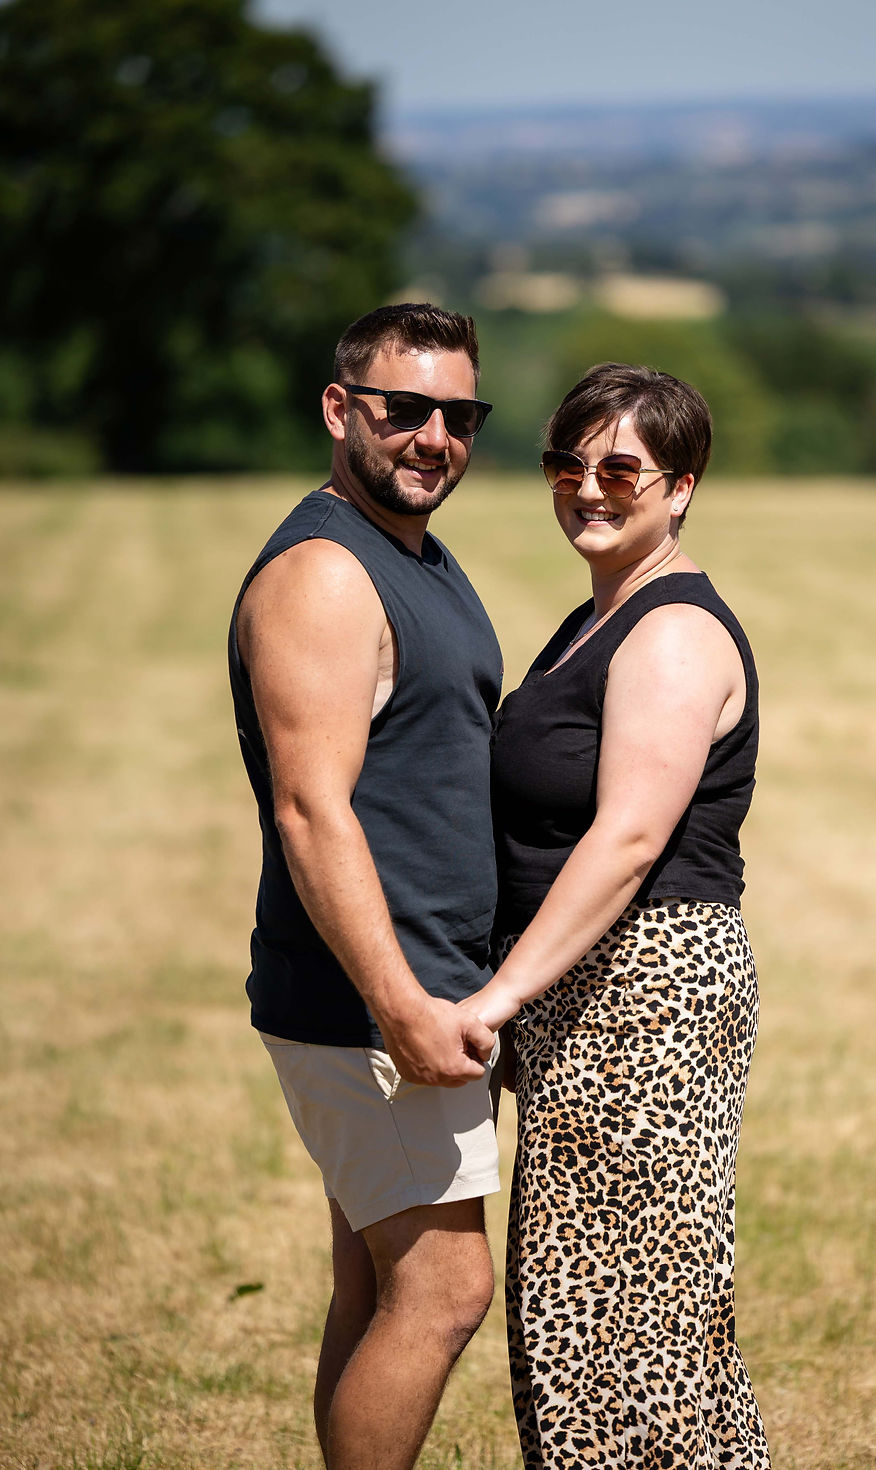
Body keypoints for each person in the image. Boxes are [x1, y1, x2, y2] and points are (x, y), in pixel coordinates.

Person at [460, 363, 771, 1468]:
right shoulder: (600, 615)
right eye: (566, 463)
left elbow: (629, 837)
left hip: (642, 995)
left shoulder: (671, 633)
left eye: (619, 468)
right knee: (598, 1319)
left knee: (623, 1331)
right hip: (589, 996)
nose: (587, 488)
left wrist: (497, 995)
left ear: (678, 486)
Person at [228, 303, 501, 1470]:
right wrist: (400, 1008)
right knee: (444, 1291)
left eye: (458, 414)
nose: (432, 436)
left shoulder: (411, 554)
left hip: (416, 990)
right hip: (374, 1006)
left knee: (376, 1287)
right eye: (403, 409)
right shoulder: (325, 573)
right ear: (341, 409)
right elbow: (310, 808)